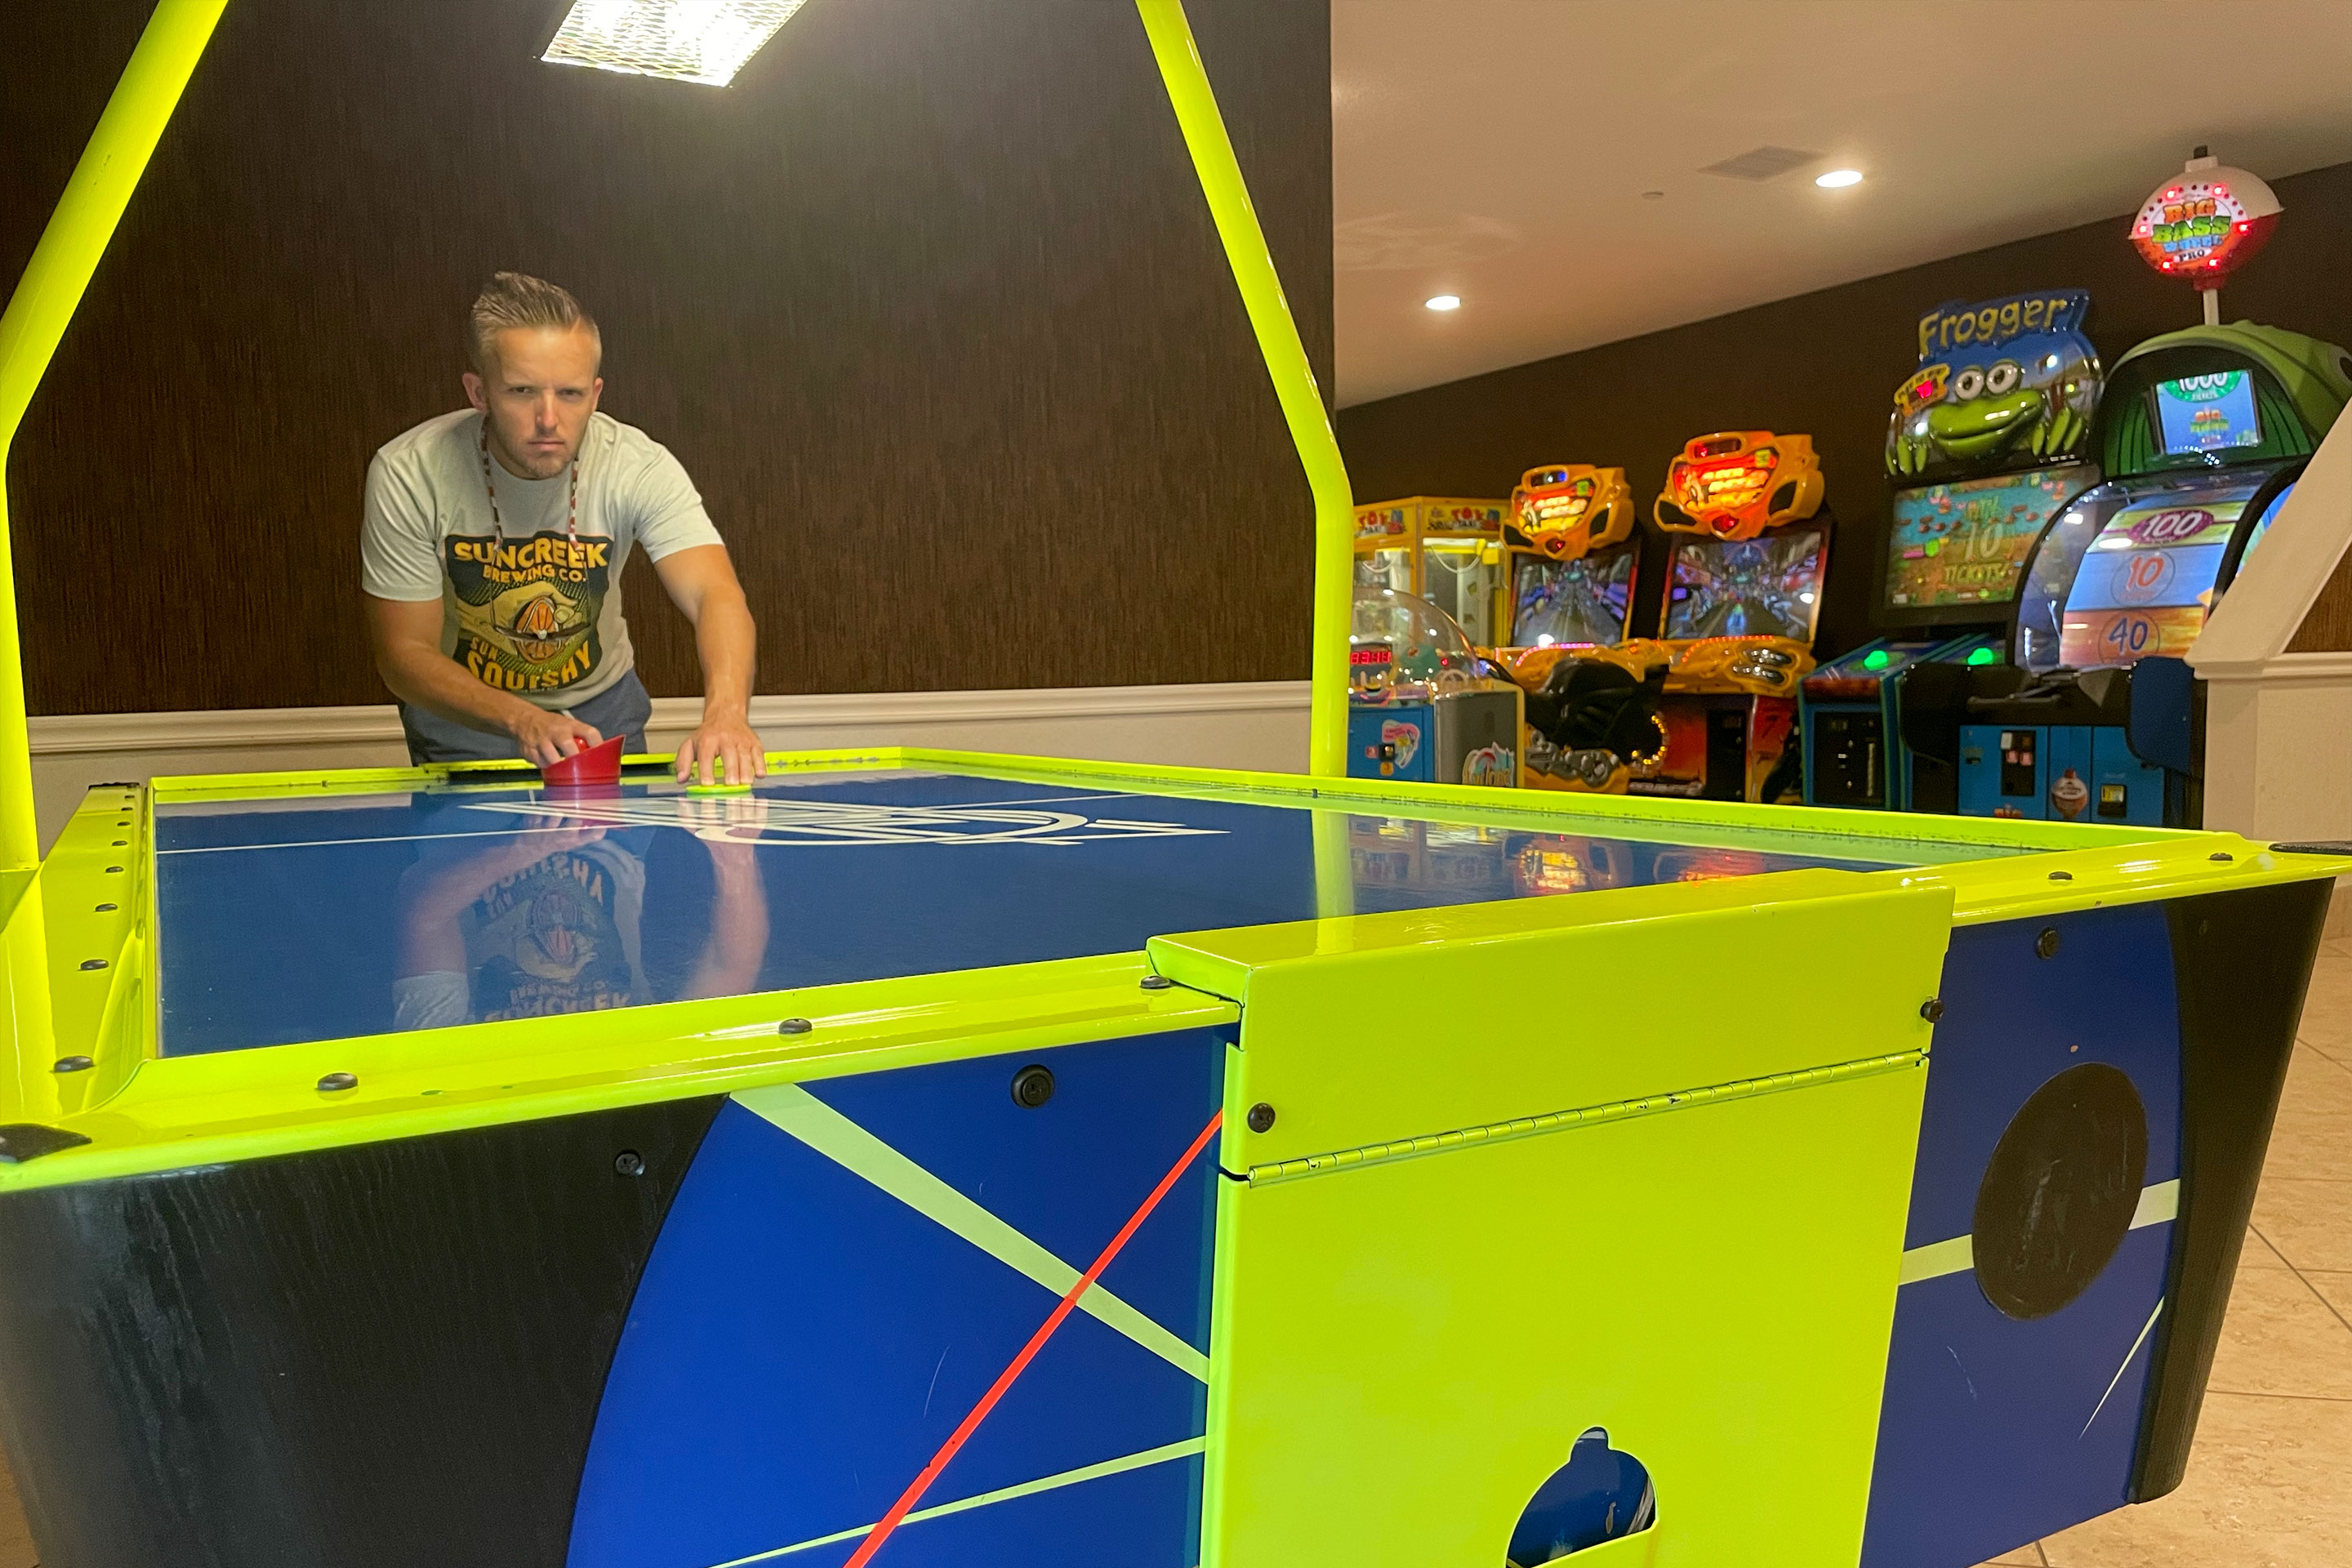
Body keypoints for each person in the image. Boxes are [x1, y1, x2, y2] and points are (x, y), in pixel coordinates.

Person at [361, 271, 764, 786]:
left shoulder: (638, 465)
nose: (548, 419)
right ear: (479, 392)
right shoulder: (409, 471)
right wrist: (520, 717)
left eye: (571, 394)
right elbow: (403, 653)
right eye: (523, 391)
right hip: (465, 720)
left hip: (602, 712)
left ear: (595, 395)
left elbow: (716, 593)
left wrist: (726, 713)